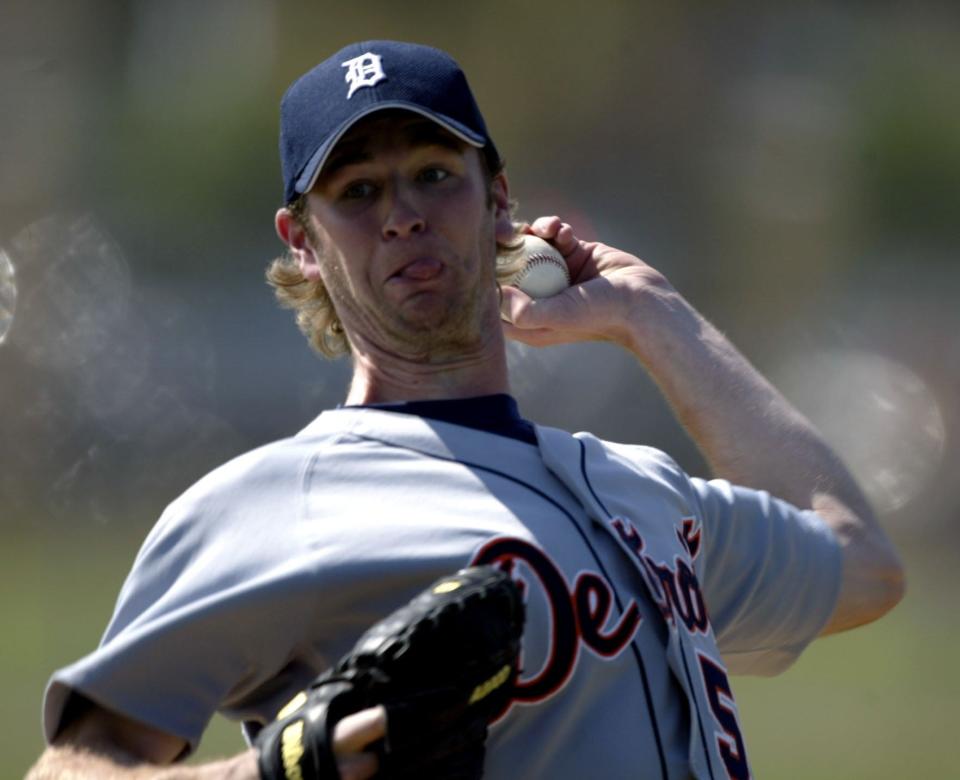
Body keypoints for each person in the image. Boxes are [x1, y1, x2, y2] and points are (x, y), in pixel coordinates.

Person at [29, 40, 904, 780]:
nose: (404, 214)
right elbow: (70, 765)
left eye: (435, 174)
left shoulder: (641, 488)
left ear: (498, 204)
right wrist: (266, 774)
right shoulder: (270, 505)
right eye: (359, 192)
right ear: (302, 244)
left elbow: (860, 565)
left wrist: (653, 314)